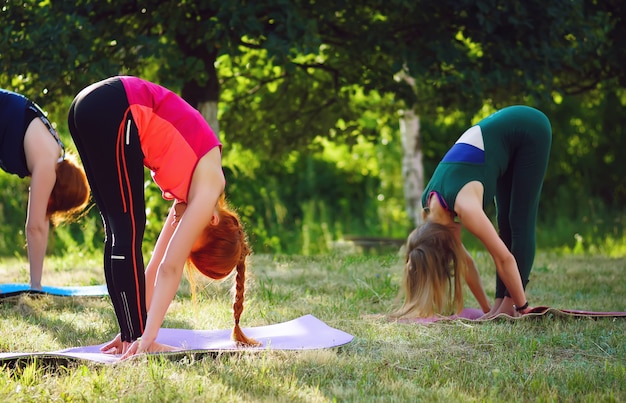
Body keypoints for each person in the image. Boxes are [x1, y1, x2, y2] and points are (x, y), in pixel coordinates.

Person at [67, 76, 258, 358]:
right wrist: (150, 337)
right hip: (118, 108)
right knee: (127, 228)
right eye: (192, 241)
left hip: (88, 105)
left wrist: (134, 329)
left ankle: (129, 333)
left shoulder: (193, 188)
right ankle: (134, 334)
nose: (184, 234)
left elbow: (156, 267)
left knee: (119, 230)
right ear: (213, 222)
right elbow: (171, 267)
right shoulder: (209, 189)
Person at [392, 105, 552, 319]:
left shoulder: (465, 206)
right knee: (503, 222)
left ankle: (511, 305)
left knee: (518, 221)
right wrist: (487, 310)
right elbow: (467, 264)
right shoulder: (430, 213)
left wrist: (522, 307)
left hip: (530, 128)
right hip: (505, 141)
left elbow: (504, 258)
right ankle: (499, 305)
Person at [0, 89, 90, 290]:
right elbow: (35, 227)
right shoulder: (48, 164)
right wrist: (36, 286)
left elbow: (41, 220)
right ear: (62, 195)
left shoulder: (53, 151)